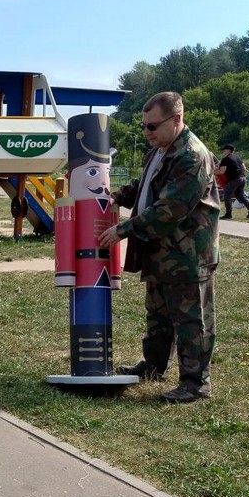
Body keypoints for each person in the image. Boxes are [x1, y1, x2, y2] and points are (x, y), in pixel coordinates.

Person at [97, 92, 221, 403]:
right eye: (144, 127)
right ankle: (154, 366)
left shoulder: (192, 156)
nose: (147, 133)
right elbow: (144, 186)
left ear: (177, 119)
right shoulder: (161, 150)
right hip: (161, 252)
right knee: (158, 314)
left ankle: (195, 384)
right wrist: (116, 196)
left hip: (188, 254)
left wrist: (125, 228)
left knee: (191, 319)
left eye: (153, 126)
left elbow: (172, 208)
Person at [215, 144, 249, 219]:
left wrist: (212, 171)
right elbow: (244, 168)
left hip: (234, 179)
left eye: (224, 149)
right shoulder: (238, 158)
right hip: (243, 178)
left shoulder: (226, 159)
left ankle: (228, 214)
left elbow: (221, 172)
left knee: (227, 197)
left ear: (228, 150)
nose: (223, 151)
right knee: (241, 196)